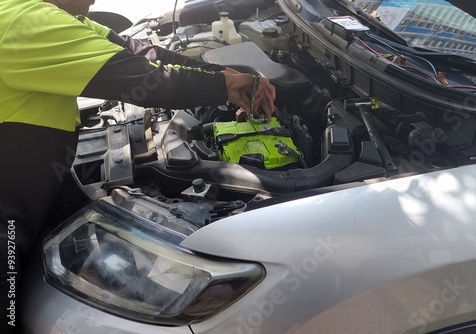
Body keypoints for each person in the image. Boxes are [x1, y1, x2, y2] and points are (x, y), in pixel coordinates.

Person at [0, 0, 276, 332]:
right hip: (9, 208)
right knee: (9, 305)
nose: (92, 0)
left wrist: (225, 75)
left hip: (31, 177)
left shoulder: (38, 15)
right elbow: (147, 80)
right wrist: (225, 87)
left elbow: (139, 52)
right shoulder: (25, 24)